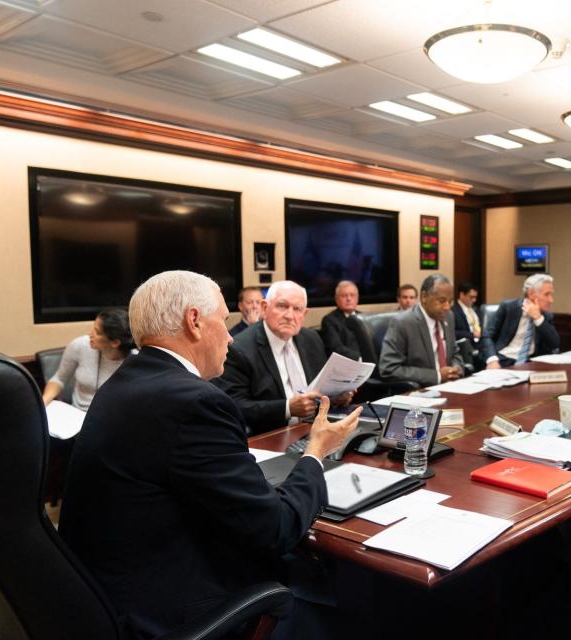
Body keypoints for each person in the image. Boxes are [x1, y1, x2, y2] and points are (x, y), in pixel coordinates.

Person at [59, 270, 362, 638]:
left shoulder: (124, 382)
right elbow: (275, 529)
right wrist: (315, 451)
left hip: (100, 596)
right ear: (195, 321)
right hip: (165, 613)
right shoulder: (196, 402)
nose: (232, 339)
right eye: (224, 320)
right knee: (356, 613)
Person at [214, 280, 354, 435]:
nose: (289, 315)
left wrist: (334, 398)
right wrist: (287, 408)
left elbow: (317, 390)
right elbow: (234, 406)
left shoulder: (311, 339)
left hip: (315, 430)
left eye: (297, 309)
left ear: (304, 313)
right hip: (271, 436)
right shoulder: (240, 349)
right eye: (282, 306)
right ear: (265, 308)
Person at [379, 274, 464, 387]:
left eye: (450, 301)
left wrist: (455, 369)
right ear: (424, 296)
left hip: (451, 387)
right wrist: (437, 375)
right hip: (419, 391)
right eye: (442, 301)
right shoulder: (403, 322)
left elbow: (454, 353)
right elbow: (389, 368)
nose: (447, 307)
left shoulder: (449, 317)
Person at [41, 307, 134, 410]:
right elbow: (59, 379)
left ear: (115, 343)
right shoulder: (79, 345)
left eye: (97, 332)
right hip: (78, 415)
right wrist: (42, 403)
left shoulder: (136, 360)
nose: (90, 334)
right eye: (93, 328)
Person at [481, 273, 560, 369]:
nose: (551, 300)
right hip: (503, 359)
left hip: (530, 363)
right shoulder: (509, 307)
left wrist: (538, 318)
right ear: (531, 293)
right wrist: (492, 360)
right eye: (547, 294)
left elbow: (554, 344)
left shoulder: (545, 316)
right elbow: (487, 335)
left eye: (551, 294)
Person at [320, 280, 367, 361]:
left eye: (352, 295)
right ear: (336, 299)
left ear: (357, 298)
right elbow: (336, 349)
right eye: (344, 296)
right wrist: (361, 358)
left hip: (369, 362)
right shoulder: (329, 320)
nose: (349, 299)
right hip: (347, 364)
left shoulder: (364, 317)